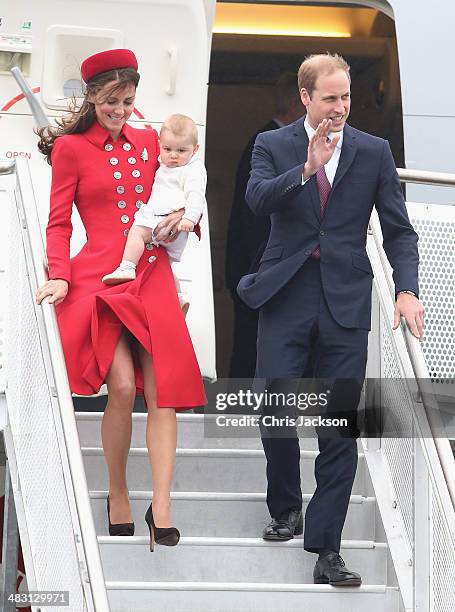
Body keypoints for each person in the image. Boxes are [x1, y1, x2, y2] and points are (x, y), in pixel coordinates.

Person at [237, 53, 425, 585]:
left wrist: (406, 290)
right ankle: (285, 506)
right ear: (305, 98)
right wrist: (306, 169)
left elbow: (399, 230)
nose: (340, 107)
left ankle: (327, 550)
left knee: (339, 428)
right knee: (276, 406)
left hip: (345, 302)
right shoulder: (272, 145)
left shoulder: (374, 151)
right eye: (329, 98)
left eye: (345, 97)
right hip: (286, 295)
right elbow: (255, 200)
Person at [35, 49, 205, 550]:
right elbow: (59, 222)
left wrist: (182, 224)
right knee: (124, 386)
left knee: (165, 388)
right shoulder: (70, 148)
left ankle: (163, 506)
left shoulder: (154, 141)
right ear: (92, 96)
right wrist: (60, 276)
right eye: (112, 101)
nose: (121, 110)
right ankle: (116, 491)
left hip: (150, 270)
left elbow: (182, 189)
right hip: (99, 276)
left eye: (128, 101)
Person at [225, 72, 304, 378]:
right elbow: (256, 216)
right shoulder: (269, 143)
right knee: (252, 348)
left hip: (254, 267)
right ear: (299, 102)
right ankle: (238, 416)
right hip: (256, 267)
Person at [102, 113, 206, 314]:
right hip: (169, 226)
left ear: (195, 150)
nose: (173, 155)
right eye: (167, 149)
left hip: (165, 221)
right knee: (162, 264)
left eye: (181, 150)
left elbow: (196, 195)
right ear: (160, 144)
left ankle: (127, 266)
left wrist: (189, 219)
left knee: (137, 233)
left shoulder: (193, 170)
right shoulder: (166, 162)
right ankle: (178, 296)